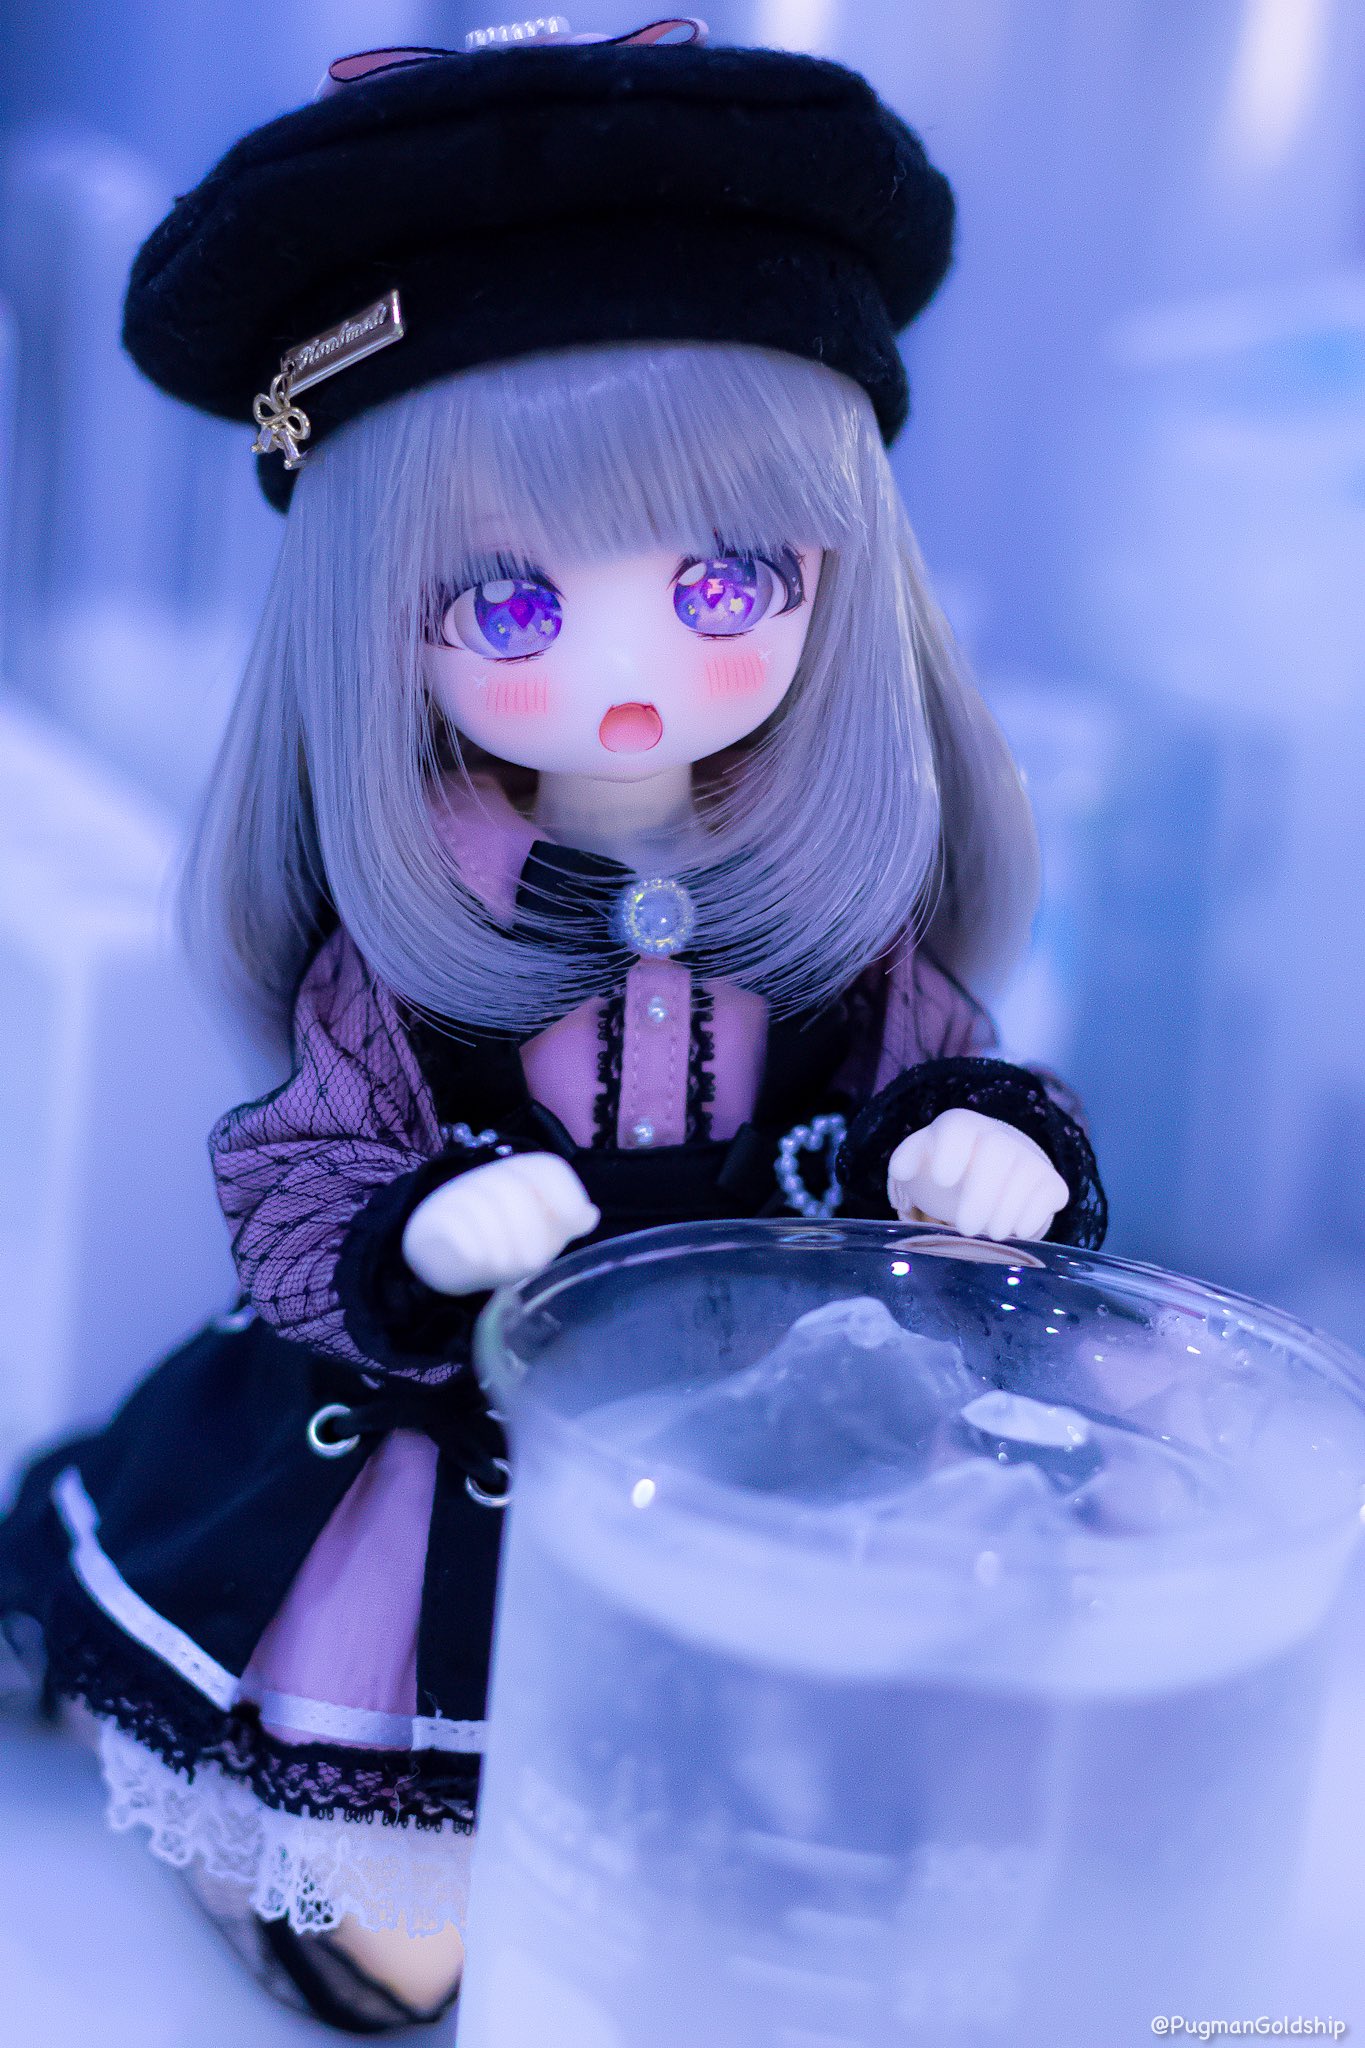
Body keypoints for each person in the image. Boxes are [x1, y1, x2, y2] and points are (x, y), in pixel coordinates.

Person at [0, 18, 1105, 2034]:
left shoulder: (824, 905)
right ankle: (236, 1832)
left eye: (726, 583)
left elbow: (921, 1066)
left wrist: (976, 1140)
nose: (629, 675)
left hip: (741, 1439)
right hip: (453, 1452)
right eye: (509, 607)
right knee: (409, 1949)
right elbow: (300, 1167)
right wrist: (429, 1234)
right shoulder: (420, 924)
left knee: (827, 1835)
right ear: (375, 614)